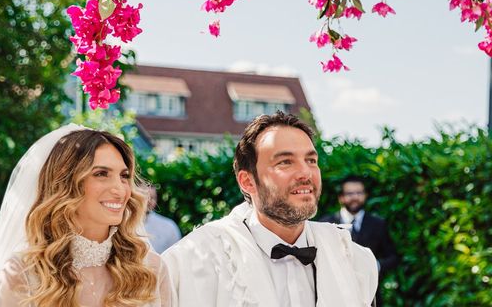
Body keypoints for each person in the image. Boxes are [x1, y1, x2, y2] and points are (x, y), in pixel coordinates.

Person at [162, 112, 378, 307]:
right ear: (247, 182)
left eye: (311, 160)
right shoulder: (193, 261)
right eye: (285, 162)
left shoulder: (354, 260)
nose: (305, 173)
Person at [0, 125, 172, 307]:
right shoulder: (23, 273)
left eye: (124, 176)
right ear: (66, 184)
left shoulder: (150, 269)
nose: (120, 189)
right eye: (101, 174)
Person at [319, 175, 398, 303]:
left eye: (359, 193)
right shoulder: (325, 224)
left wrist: (374, 265)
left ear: (365, 195)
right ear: (341, 197)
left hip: (370, 295)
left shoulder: (378, 224)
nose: (355, 197)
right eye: (350, 193)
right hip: (335, 296)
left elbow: (392, 257)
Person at [144, 185, 182, 253]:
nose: (149, 201)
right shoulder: (123, 224)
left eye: (153, 198)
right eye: (145, 197)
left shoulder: (169, 226)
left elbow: (177, 255)